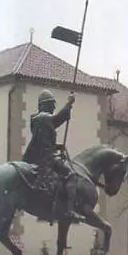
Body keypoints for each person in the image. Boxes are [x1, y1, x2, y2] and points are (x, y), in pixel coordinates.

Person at [22, 89, 84, 223]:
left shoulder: (37, 119)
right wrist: (69, 103)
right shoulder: (44, 117)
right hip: (45, 158)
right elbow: (58, 118)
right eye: (51, 105)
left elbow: (44, 140)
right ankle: (70, 210)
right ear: (45, 105)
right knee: (71, 175)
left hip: (37, 155)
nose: (53, 108)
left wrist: (57, 146)